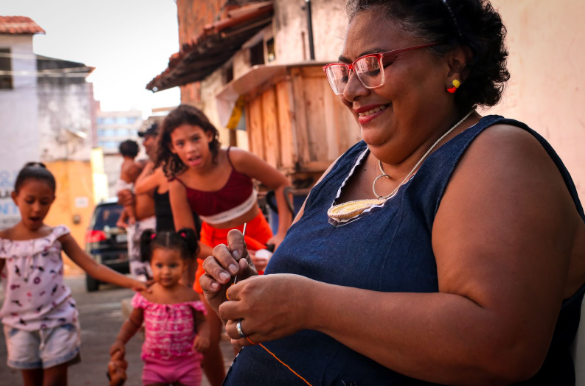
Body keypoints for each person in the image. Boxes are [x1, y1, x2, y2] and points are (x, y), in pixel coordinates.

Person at [200, 0, 585, 385]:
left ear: (454, 63)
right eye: (346, 70)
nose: (350, 91)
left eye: (373, 64)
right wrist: (245, 299)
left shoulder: (498, 156)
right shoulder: (346, 165)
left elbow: (501, 347)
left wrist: (308, 305)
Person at [155, 104, 293, 386]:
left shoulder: (237, 158)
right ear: (172, 148)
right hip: (208, 249)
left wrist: (282, 233)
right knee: (205, 330)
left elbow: (281, 184)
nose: (190, 149)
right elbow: (187, 241)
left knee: (263, 321)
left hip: (255, 238)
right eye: (180, 143)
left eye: (195, 138)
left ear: (208, 134)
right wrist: (221, 256)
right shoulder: (178, 182)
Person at [0, 162, 150, 386]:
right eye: (29, 201)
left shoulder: (58, 236)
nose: (36, 209)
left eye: (44, 201)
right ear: (15, 197)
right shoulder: (5, 240)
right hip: (19, 326)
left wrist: (134, 283)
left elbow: (93, 267)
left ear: (53, 199)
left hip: (58, 321)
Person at [109, 228, 210, 386]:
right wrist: (120, 341)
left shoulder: (190, 296)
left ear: (184, 265)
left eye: (172, 265)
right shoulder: (147, 295)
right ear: (150, 264)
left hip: (187, 364)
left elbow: (201, 322)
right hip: (155, 365)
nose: (166, 271)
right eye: (159, 265)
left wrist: (203, 336)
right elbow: (133, 322)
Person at [118, 123, 159, 281]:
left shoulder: (146, 166)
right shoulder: (142, 165)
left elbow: (142, 189)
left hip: (151, 223)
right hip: (138, 226)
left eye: (147, 139)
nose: (144, 143)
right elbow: (129, 192)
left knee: (153, 266)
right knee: (140, 267)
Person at [115, 139, 143, 229]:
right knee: (129, 202)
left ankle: (121, 220)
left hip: (122, 185)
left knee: (127, 205)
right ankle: (131, 217)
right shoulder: (133, 165)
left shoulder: (124, 163)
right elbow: (137, 181)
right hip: (124, 186)